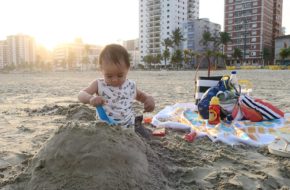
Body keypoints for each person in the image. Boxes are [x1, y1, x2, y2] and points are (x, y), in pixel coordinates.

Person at [78, 44, 155, 130]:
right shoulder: (99, 84)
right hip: (105, 127)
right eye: (109, 76)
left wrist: (148, 98)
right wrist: (90, 99)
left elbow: (141, 96)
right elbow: (81, 94)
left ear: (127, 68)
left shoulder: (130, 85)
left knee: (144, 134)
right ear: (101, 70)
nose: (114, 80)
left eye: (120, 75)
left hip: (129, 128)